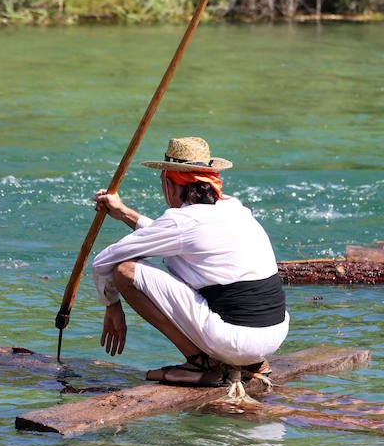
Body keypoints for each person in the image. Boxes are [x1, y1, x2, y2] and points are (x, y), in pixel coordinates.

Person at [91, 136, 289, 391]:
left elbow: (103, 261)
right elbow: (181, 237)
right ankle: (253, 363)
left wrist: (112, 305)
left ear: (171, 185)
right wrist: (125, 213)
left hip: (236, 341)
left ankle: (200, 363)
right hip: (273, 336)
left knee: (124, 271)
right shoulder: (234, 208)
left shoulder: (181, 222)